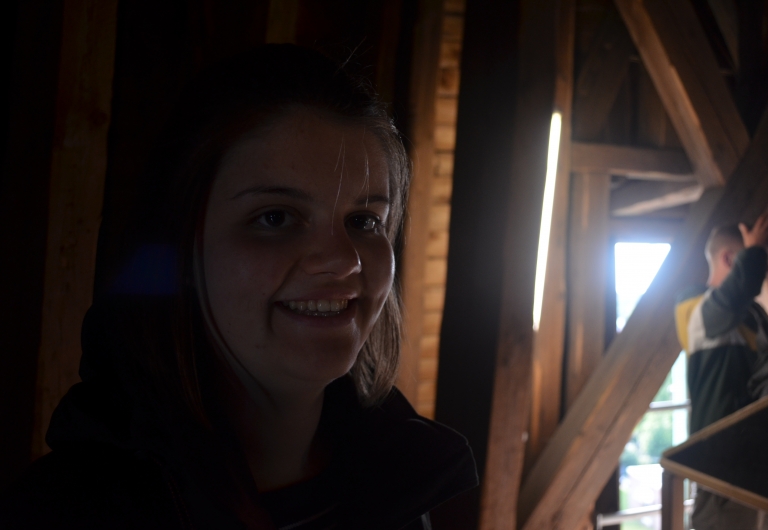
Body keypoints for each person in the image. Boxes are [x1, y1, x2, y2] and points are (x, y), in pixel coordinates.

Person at [0, 45, 478, 529]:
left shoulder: (399, 483)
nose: (344, 260)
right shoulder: (68, 514)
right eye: (276, 218)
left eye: (364, 220)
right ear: (181, 246)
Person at [675, 214, 768, 530]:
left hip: (763, 464)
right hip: (724, 466)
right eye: (756, 259)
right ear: (729, 259)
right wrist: (757, 251)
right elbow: (731, 298)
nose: (764, 271)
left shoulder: (752, 317)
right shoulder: (695, 309)